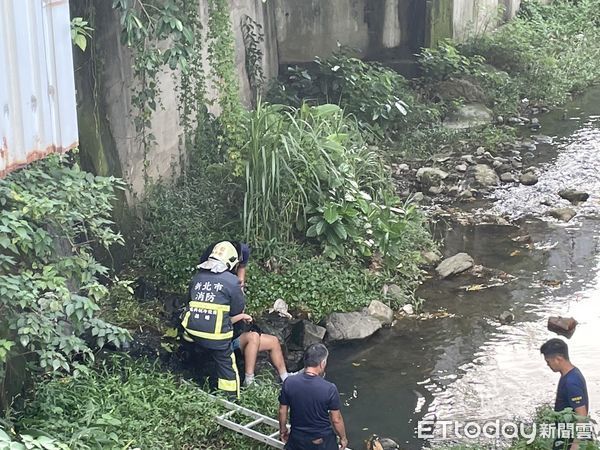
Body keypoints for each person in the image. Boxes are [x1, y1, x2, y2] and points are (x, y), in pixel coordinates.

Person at [200, 241, 292, 386]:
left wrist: (239, 289)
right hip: (223, 340)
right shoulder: (216, 290)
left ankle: (286, 378)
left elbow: (241, 274)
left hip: (233, 335)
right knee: (254, 337)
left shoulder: (240, 259)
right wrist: (241, 315)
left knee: (273, 341)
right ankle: (249, 380)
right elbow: (222, 321)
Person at [181, 241, 245, 398]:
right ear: (230, 262)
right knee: (227, 366)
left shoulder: (197, 278)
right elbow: (237, 310)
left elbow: (188, 301)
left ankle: (191, 375)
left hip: (190, 333)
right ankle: (230, 399)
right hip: (217, 338)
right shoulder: (232, 281)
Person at [278, 343, 348, 450]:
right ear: (322, 363)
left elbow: (282, 411)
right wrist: (343, 438)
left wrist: (283, 431)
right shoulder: (329, 388)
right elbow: (336, 419)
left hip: (297, 439)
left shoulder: (289, 382)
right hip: (321, 441)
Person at [540, 338, 590, 450]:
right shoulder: (572, 373)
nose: (548, 365)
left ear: (558, 359)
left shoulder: (571, 382)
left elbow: (581, 415)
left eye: (548, 361)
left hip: (570, 439)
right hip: (565, 434)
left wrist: (575, 444)